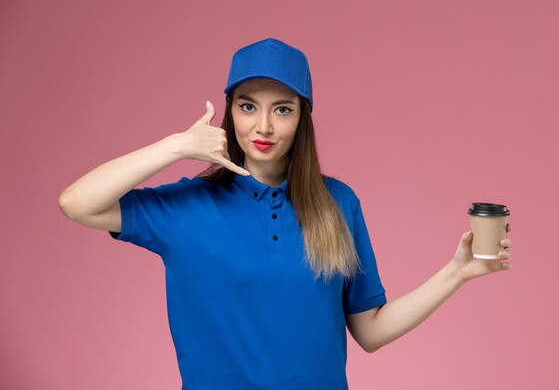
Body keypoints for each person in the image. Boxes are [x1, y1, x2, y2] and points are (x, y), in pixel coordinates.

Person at [58, 37, 513, 390]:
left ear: (302, 119)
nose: (263, 126)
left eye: (282, 109)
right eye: (248, 106)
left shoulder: (339, 204)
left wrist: (457, 273)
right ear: (231, 113)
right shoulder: (185, 207)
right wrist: (176, 146)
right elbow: (76, 203)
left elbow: (371, 332)